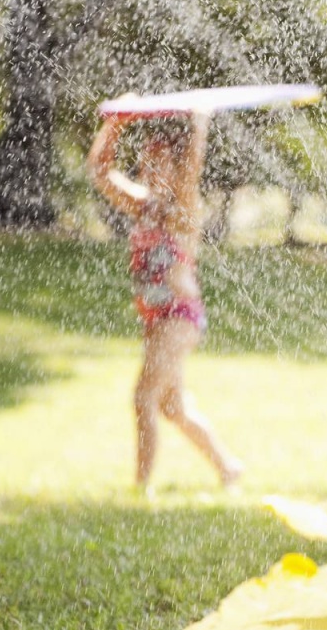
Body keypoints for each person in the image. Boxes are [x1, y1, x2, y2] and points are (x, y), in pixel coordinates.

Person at [87, 106, 244, 492]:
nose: (152, 171)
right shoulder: (143, 205)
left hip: (178, 316)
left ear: (175, 169)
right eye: (147, 164)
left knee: (143, 398)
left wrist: (198, 123)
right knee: (172, 406)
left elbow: (192, 169)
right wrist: (115, 123)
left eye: (161, 163)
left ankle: (141, 488)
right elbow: (100, 172)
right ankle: (228, 468)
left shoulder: (182, 209)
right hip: (156, 318)